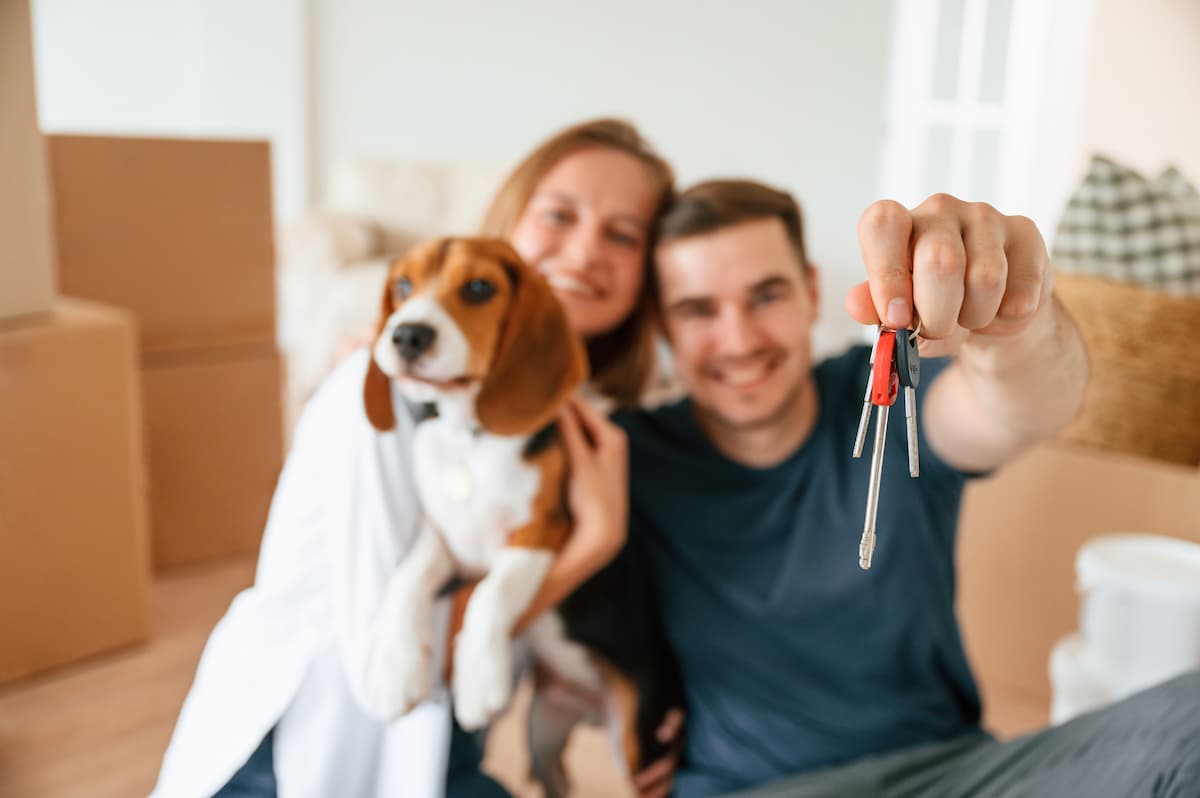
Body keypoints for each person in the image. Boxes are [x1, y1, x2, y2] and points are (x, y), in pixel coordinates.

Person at [615, 179, 1200, 796]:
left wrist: (1014, 325)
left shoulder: (889, 391)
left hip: (956, 775)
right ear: (660, 323)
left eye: (766, 295)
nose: (739, 340)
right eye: (698, 309)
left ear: (812, 292)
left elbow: (1028, 407)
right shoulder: (624, 456)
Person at [151, 118, 677, 798]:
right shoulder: (373, 399)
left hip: (435, 754)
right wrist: (589, 543)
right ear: (509, 221)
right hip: (293, 754)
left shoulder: (581, 419)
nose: (582, 251)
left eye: (623, 234)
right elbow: (389, 666)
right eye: (559, 214)